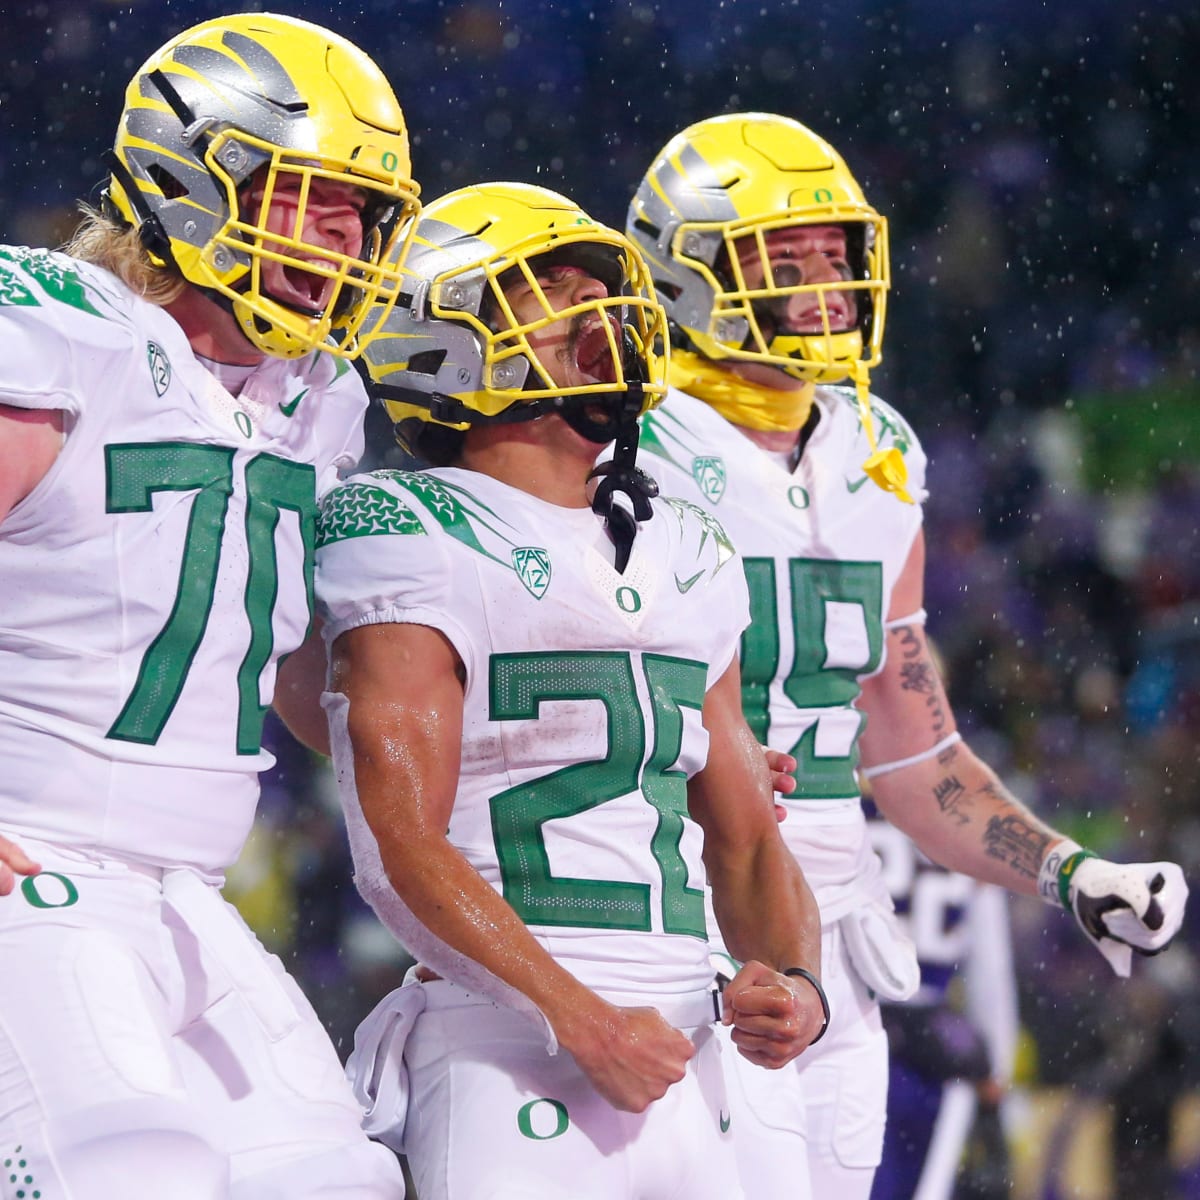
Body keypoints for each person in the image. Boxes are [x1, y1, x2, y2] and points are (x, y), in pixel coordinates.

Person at [623, 111, 1189, 1199]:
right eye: (780, 257)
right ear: (686, 274)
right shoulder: (616, 443)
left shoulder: (877, 448)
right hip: (667, 913)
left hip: (837, 928)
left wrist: (1074, 876)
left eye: (835, 251)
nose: (826, 282)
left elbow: (915, 758)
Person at [305, 180, 827, 1200]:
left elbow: (749, 834)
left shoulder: (689, 546)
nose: (601, 311)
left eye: (601, 286)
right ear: (443, 332)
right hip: (511, 1042)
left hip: (695, 1037)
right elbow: (402, 843)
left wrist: (799, 985)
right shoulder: (404, 527)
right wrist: (575, 1015)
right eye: (553, 290)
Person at [0, 13, 421, 1198]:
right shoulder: (61, 330)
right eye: (313, 199)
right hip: (34, 860)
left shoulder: (313, 397)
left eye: (364, 213)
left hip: (181, 896)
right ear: (194, 182)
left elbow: (280, 662)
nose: (348, 239)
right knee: (123, 1175)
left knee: (338, 1182)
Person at [866, 812, 1017, 1200]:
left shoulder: (847, 804)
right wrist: (995, 1066)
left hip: (850, 1019)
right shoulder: (968, 828)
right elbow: (990, 971)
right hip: (934, 1048)